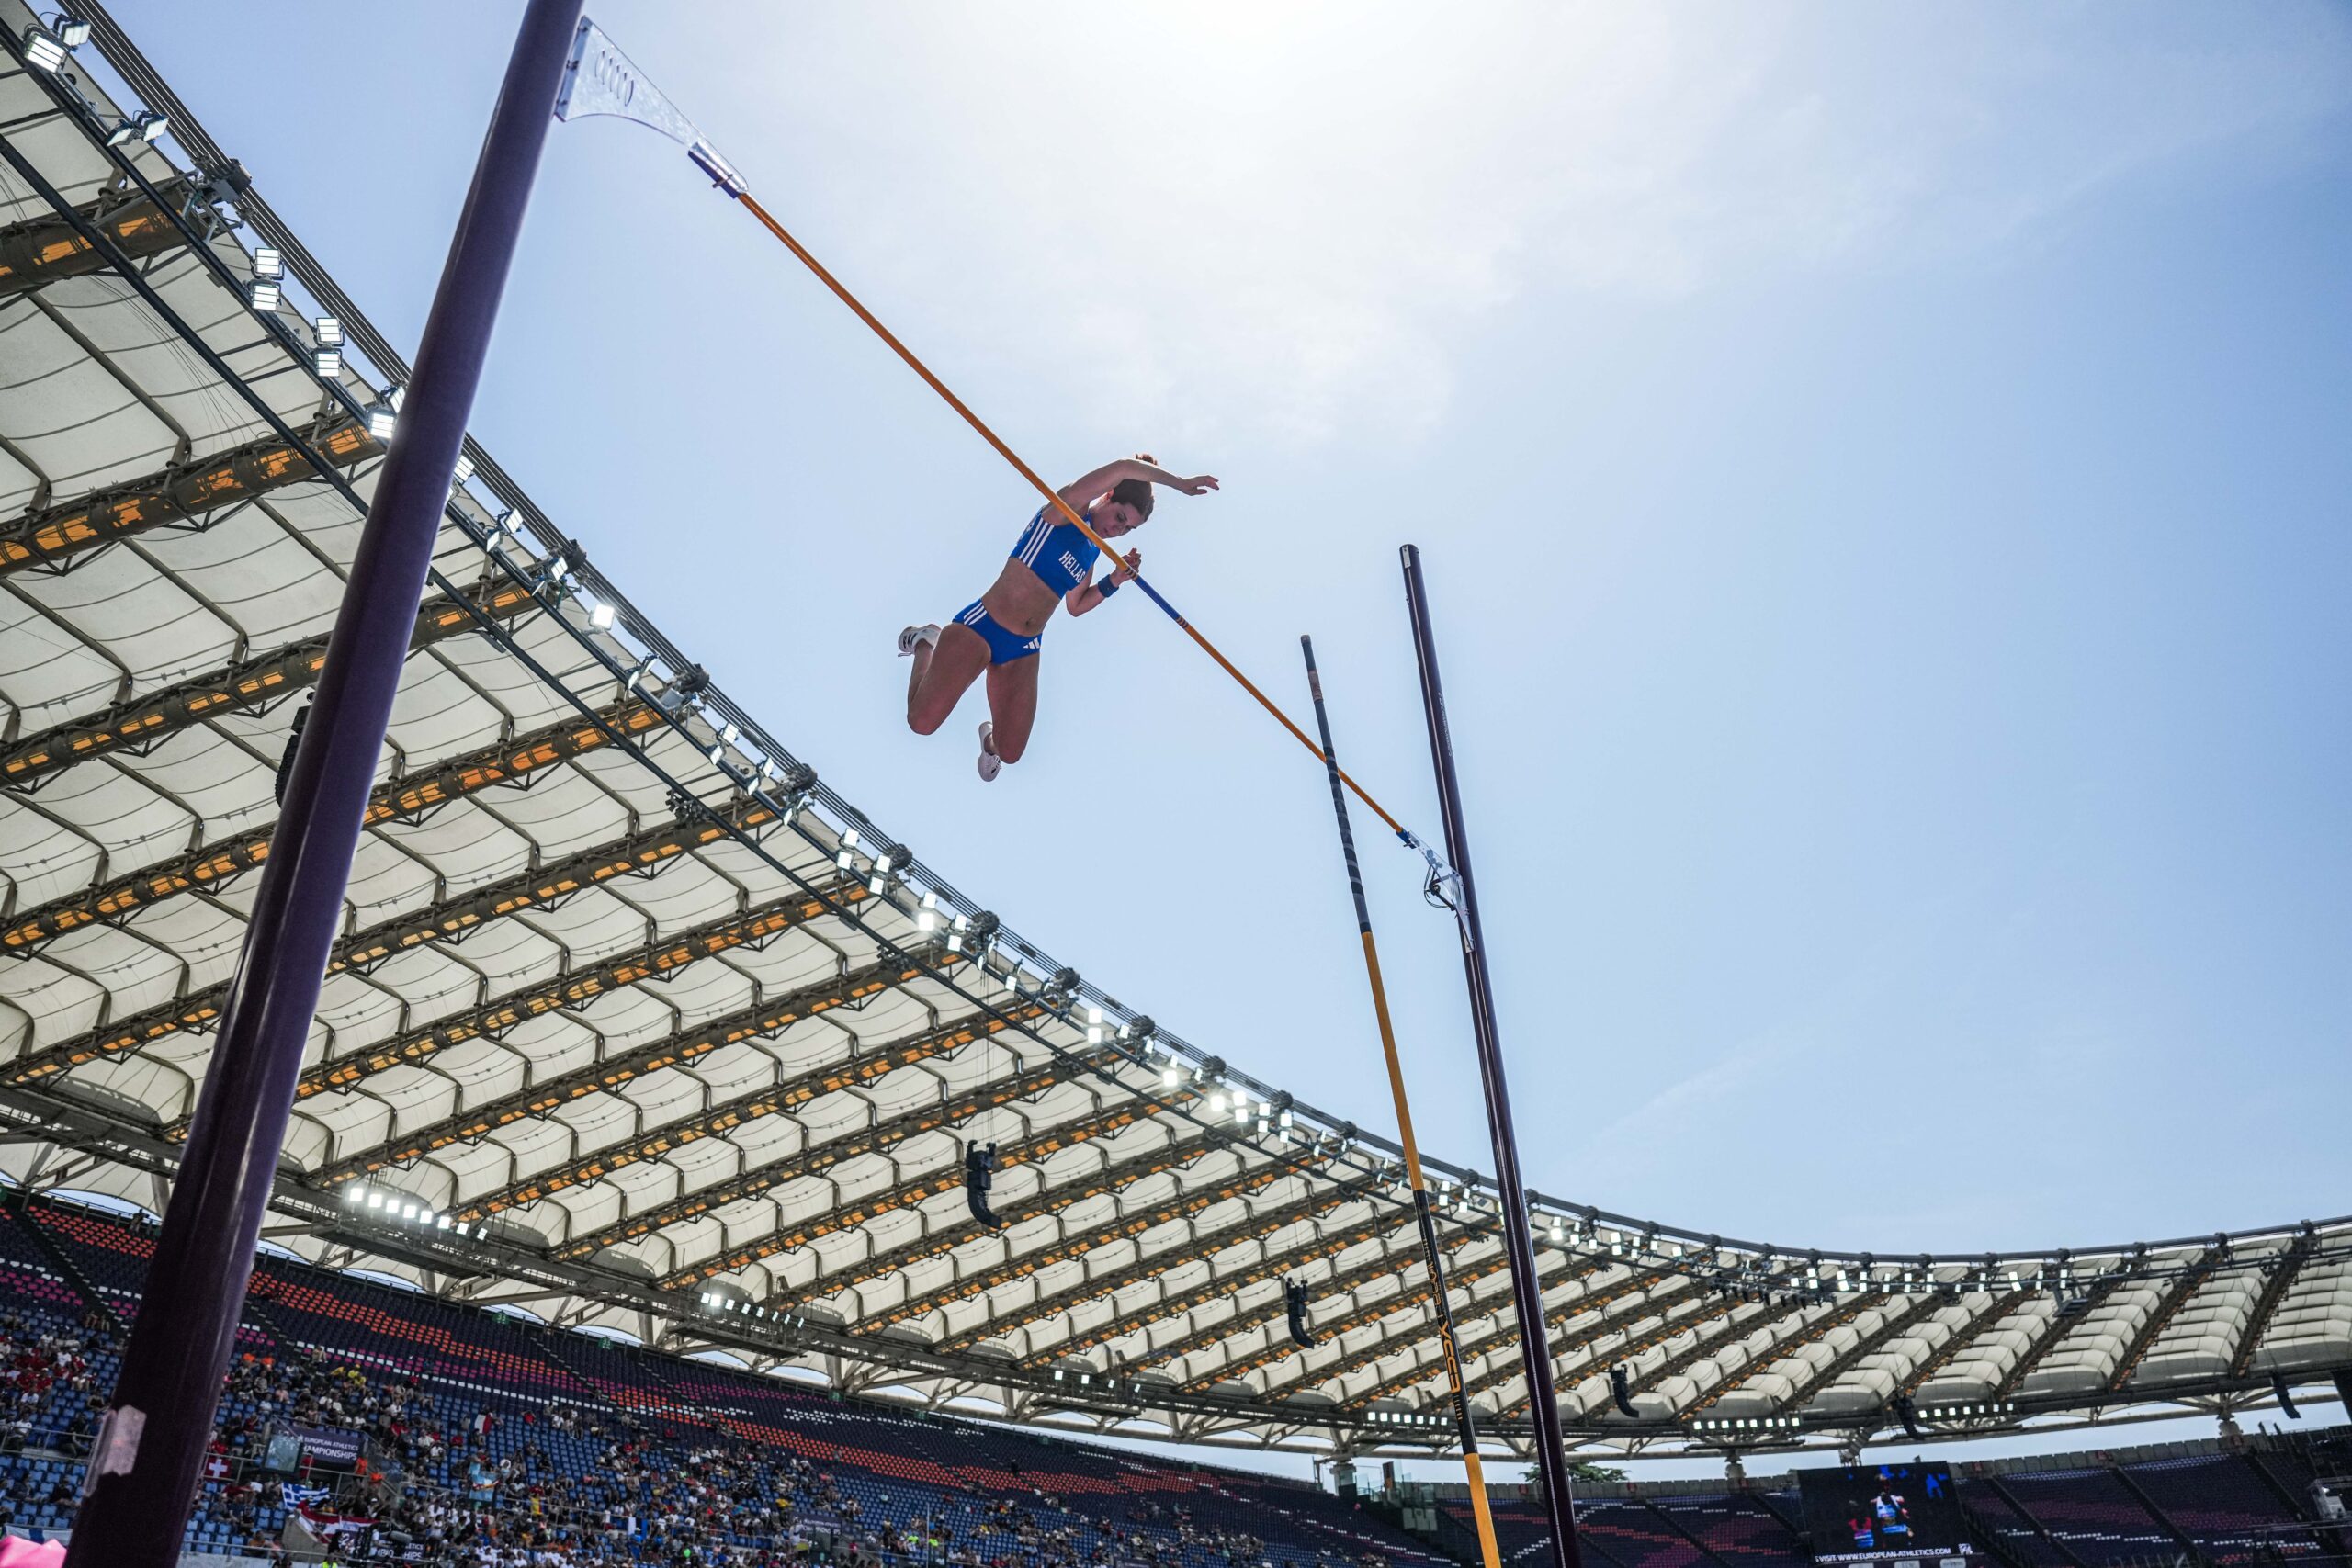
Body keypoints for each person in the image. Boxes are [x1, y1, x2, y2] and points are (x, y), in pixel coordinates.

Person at [899, 456, 1217, 780]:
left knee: (1010, 752)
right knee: (921, 723)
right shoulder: (1068, 510)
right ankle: (927, 642)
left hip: (1023, 650)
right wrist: (1179, 484)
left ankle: (989, 743)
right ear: (1107, 495)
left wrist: (1114, 582)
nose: (1118, 529)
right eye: (1120, 517)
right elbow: (1123, 467)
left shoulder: (1092, 552)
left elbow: (1076, 605)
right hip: (983, 626)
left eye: (1127, 528)